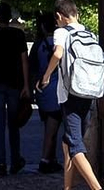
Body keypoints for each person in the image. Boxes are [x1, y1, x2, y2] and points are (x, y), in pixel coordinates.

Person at [37, 0, 104, 190]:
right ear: (77, 13)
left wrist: (45, 77)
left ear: (59, 16)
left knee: (75, 145)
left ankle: (96, 188)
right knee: (68, 143)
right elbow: (103, 70)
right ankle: (67, 188)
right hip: (89, 94)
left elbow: (58, 54)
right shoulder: (90, 35)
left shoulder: (61, 32)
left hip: (70, 95)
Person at [0, 2, 31, 176]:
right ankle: (15, 160)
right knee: (14, 123)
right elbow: (24, 61)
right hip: (14, 83)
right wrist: (26, 84)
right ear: (10, 17)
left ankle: (1, 164)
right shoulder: (18, 35)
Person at [31, 9, 64, 174]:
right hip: (59, 90)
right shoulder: (61, 42)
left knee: (49, 126)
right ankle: (46, 160)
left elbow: (32, 67)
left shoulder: (39, 44)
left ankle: (50, 159)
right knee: (53, 128)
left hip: (43, 91)